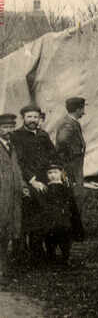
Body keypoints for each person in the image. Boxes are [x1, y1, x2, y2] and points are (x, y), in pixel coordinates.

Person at [10, 105, 56, 263]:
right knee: (26, 219)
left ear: (39, 119)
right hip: (26, 181)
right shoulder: (17, 136)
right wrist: (32, 181)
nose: (32, 120)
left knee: (43, 217)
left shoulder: (43, 135)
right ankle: (21, 252)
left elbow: (53, 155)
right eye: (29, 117)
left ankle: (38, 251)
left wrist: (54, 174)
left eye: (35, 117)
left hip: (44, 181)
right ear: (23, 118)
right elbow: (19, 162)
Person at [0, 113, 28, 283]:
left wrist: (23, 186)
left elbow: (17, 169)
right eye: (4, 127)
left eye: (11, 127)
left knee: (7, 234)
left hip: (13, 197)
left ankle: (3, 269)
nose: (8, 130)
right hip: (1, 196)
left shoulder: (12, 147)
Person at [40, 163, 84, 266]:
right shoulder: (45, 189)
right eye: (50, 173)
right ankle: (51, 256)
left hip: (64, 221)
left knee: (65, 240)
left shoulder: (66, 189)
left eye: (55, 172)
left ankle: (66, 257)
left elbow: (72, 206)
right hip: (50, 222)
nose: (53, 175)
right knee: (50, 240)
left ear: (61, 173)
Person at [54, 97, 87, 196]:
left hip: (73, 164)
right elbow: (62, 140)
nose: (83, 112)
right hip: (71, 165)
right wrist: (74, 154)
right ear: (78, 109)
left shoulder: (72, 122)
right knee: (73, 192)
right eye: (83, 109)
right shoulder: (68, 123)